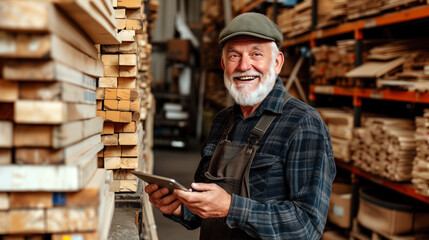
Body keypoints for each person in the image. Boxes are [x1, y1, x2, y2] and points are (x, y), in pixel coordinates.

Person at [145, 12, 336, 239]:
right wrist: (180, 207)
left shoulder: (304, 124)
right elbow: (206, 204)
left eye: (256, 54)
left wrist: (231, 207)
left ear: (277, 62)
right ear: (224, 64)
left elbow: (306, 226)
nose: (244, 66)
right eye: (234, 56)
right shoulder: (223, 121)